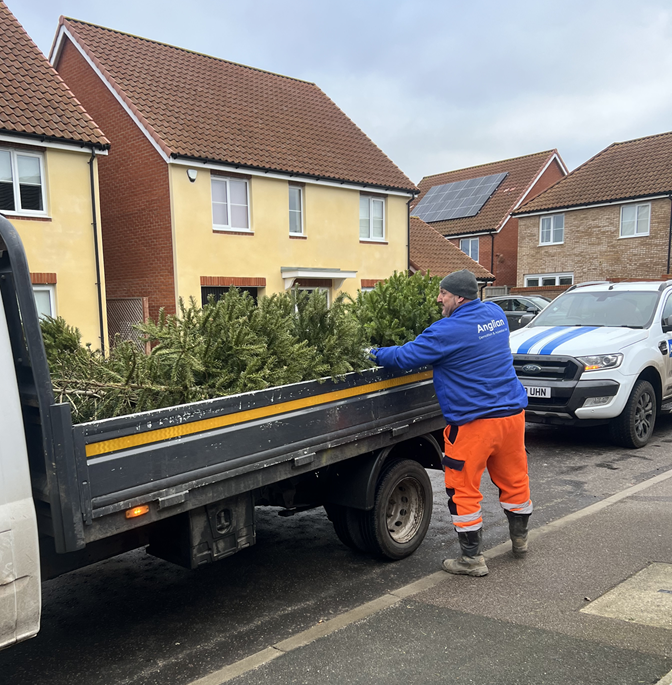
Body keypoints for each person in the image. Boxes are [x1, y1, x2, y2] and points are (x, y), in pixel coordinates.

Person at [371, 269, 532, 577]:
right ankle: (520, 540)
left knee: (463, 488)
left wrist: (372, 353)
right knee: (515, 480)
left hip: (475, 423)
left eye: (443, 293)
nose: (438, 298)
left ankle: (471, 559)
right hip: (512, 417)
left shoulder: (447, 331)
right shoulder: (496, 314)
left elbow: (405, 357)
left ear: (458, 297)